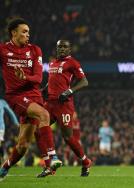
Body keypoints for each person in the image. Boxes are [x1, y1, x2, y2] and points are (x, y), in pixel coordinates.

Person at [0, 18, 62, 180]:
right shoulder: (3, 50)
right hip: (16, 96)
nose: (28, 35)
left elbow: (38, 78)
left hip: (34, 96)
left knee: (22, 146)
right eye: (24, 31)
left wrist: (24, 76)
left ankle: (4, 167)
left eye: (28, 31)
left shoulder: (35, 50)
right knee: (44, 115)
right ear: (14, 33)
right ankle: (52, 157)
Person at [35, 40, 91, 177]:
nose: (61, 49)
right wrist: (44, 89)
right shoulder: (53, 63)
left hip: (64, 105)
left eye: (65, 46)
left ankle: (85, 161)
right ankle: (49, 165)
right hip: (50, 104)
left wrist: (69, 91)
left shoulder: (73, 63)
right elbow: (52, 81)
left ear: (69, 49)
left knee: (67, 137)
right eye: (59, 46)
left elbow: (84, 81)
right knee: (37, 130)